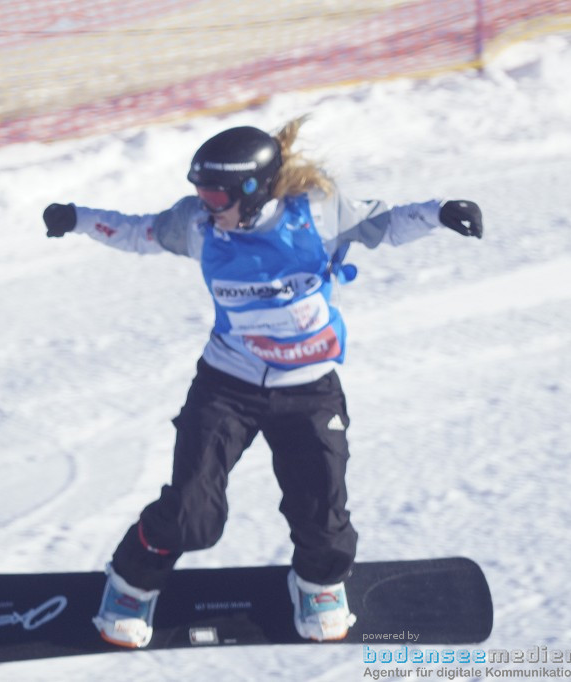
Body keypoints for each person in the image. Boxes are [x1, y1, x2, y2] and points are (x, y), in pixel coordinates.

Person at [41, 116, 482, 647]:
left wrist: (439, 213)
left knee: (325, 520)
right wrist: (78, 218)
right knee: (191, 516)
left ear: (251, 191)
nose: (204, 203)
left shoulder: (318, 215)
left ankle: (318, 585)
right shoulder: (199, 226)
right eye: (199, 192)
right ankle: (132, 582)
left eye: (214, 193)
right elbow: (139, 232)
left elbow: (385, 223)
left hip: (311, 389)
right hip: (228, 384)